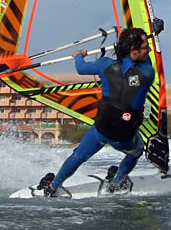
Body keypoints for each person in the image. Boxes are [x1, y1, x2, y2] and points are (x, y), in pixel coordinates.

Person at [37, 27, 154, 196]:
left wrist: (79, 55)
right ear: (133, 51)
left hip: (101, 130)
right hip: (124, 136)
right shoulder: (147, 73)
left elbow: (81, 68)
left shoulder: (104, 64)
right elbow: (146, 61)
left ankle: (53, 187)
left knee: (78, 156)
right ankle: (115, 183)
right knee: (137, 151)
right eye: (146, 46)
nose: (148, 50)